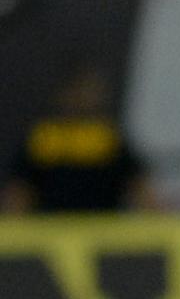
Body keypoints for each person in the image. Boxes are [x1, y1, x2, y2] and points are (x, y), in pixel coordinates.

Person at [4, 65, 157, 213]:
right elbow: (19, 192)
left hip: (97, 232)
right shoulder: (43, 138)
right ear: (63, 93)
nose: (83, 98)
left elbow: (138, 188)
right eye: (78, 91)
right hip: (50, 233)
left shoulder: (106, 139)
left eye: (90, 92)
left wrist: (161, 222)